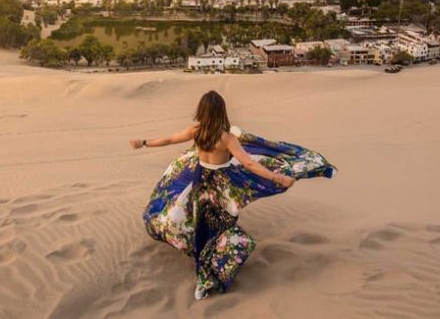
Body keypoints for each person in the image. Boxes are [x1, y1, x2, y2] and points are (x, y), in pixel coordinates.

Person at [130, 90, 335, 300]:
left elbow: (168, 139)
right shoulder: (226, 138)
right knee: (221, 226)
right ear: (222, 112)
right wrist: (278, 178)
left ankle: (204, 275)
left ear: (202, 110)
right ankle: (213, 274)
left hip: (200, 183)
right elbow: (248, 163)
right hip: (220, 186)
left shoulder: (196, 131)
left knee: (202, 225)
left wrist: (144, 142)